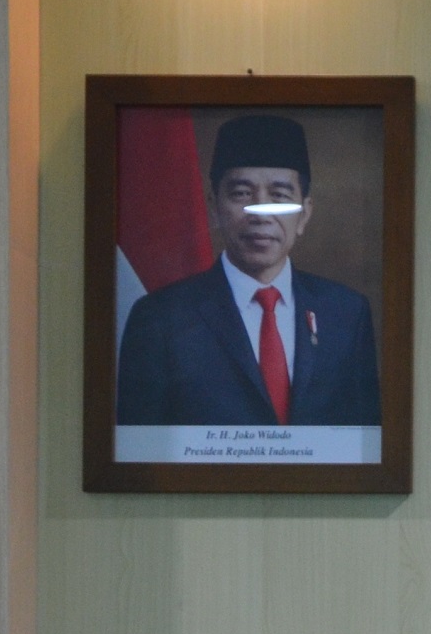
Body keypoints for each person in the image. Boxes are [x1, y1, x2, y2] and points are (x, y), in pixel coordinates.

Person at [113, 113, 380, 431]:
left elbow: (364, 440)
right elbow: (142, 450)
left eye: (279, 196)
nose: (260, 214)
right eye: (242, 194)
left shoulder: (346, 314)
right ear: (214, 207)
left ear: (305, 214)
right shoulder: (159, 319)